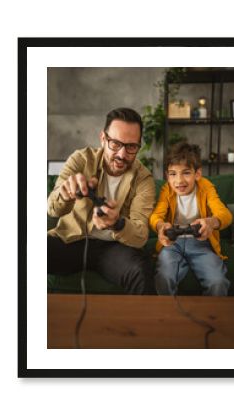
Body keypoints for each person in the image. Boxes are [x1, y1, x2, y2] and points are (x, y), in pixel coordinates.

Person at [47, 107, 156, 294]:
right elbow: (52, 209)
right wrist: (65, 195)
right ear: (103, 139)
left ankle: (142, 323)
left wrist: (118, 224)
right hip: (71, 240)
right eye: (115, 144)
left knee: (140, 270)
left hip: (113, 248)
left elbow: (140, 235)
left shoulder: (144, 179)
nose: (122, 155)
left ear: (138, 146)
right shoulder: (80, 159)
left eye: (131, 147)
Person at [149, 142, 233, 296]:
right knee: (164, 277)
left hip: (201, 244)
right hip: (173, 244)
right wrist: (161, 226)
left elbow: (225, 214)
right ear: (167, 176)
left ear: (197, 174)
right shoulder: (167, 190)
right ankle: (166, 315)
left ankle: (211, 317)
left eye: (186, 173)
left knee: (218, 282)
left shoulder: (206, 187)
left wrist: (210, 222)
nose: (179, 181)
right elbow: (156, 216)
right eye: (173, 174)